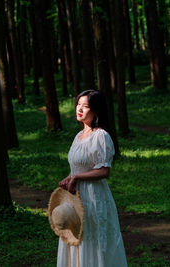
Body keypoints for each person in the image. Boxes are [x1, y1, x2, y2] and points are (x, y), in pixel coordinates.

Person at [58, 89, 128, 267]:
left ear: (96, 110)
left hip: (93, 197)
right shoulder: (78, 136)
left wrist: (78, 177)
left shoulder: (101, 136)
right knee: (76, 236)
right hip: (75, 197)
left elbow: (104, 170)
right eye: (78, 105)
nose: (79, 109)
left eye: (85, 106)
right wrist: (68, 178)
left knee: (93, 239)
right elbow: (76, 167)